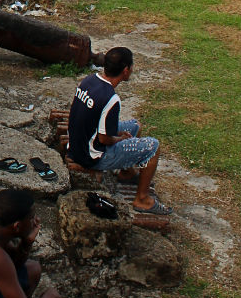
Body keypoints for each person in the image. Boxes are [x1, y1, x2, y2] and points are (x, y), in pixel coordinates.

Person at [67, 47, 170, 215]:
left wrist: (120, 136)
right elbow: (105, 139)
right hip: (91, 156)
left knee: (135, 125)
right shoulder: (111, 98)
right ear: (125, 70)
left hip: (77, 144)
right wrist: (119, 139)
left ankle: (126, 172)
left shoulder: (89, 80)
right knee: (153, 146)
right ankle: (142, 199)